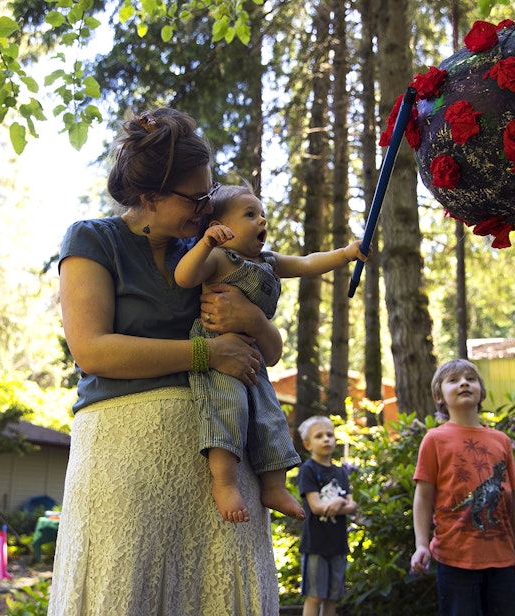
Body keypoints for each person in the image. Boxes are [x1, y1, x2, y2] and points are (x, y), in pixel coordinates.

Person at [50, 108, 288, 615]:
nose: (207, 209)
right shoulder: (92, 240)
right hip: (124, 463)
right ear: (149, 197)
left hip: (221, 467)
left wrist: (253, 319)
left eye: (209, 196)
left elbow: (268, 353)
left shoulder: (208, 251)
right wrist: (206, 352)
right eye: (194, 198)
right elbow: (92, 350)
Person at [174, 183, 367, 523]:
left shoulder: (269, 261)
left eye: (262, 214)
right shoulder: (218, 258)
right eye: (250, 214)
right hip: (218, 355)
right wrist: (206, 243)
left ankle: (274, 486)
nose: (262, 220)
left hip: (254, 358)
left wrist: (345, 254)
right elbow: (184, 276)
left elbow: (308, 263)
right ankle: (224, 483)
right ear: (220, 226)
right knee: (227, 410)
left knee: (271, 417)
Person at [410, 359, 515, 616]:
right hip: (454, 557)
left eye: (470, 378)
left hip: (501, 557)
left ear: (481, 391)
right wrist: (421, 544)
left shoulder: (501, 440)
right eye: (453, 380)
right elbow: (423, 497)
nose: (464, 383)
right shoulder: (434, 439)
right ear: (439, 396)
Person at [296, 415, 358, 616]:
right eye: (319, 436)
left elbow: (352, 505)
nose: (326, 439)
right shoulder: (308, 470)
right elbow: (316, 507)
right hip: (316, 545)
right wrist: (340, 502)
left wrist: (337, 503)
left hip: (338, 544)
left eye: (330, 435)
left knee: (332, 597)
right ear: (307, 444)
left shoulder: (340, 472)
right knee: (315, 596)